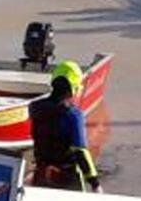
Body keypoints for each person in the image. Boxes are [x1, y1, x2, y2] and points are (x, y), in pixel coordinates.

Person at [28, 62, 100, 192]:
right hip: (66, 180)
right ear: (74, 88)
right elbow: (80, 151)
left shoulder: (35, 107)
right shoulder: (73, 115)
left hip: (41, 175)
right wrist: (94, 182)